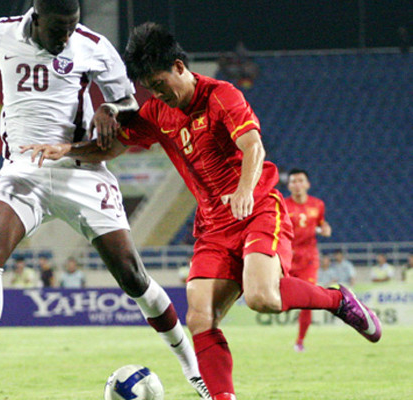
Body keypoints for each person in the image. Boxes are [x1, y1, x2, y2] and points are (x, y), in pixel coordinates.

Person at [23, 22, 383, 400]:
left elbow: (253, 145)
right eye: (150, 88)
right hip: (212, 226)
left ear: (179, 67)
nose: (157, 93)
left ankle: (338, 300)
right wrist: (68, 151)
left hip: (257, 208)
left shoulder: (220, 95)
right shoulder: (158, 111)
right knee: (199, 318)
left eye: (160, 83)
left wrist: (244, 190)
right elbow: (111, 147)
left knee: (262, 298)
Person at [0, 2, 207, 399]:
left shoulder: (93, 46)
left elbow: (131, 106)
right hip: (23, 170)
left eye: (72, 26)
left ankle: (195, 371)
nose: (66, 36)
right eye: (58, 27)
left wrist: (109, 108)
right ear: (36, 17)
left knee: (132, 275)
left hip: (80, 169)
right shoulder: (3, 32)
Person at [285, 168, 332, 352]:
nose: (297, 184)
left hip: (308, 259)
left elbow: (321, 224)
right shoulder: (282, 205)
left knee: (308, 301)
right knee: (278, 296)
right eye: (293, 181)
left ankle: (300, 341)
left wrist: (325, 228)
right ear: (289, 185)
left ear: (307, 184)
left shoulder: (318, 204)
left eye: (300, 180)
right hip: (287, 257)